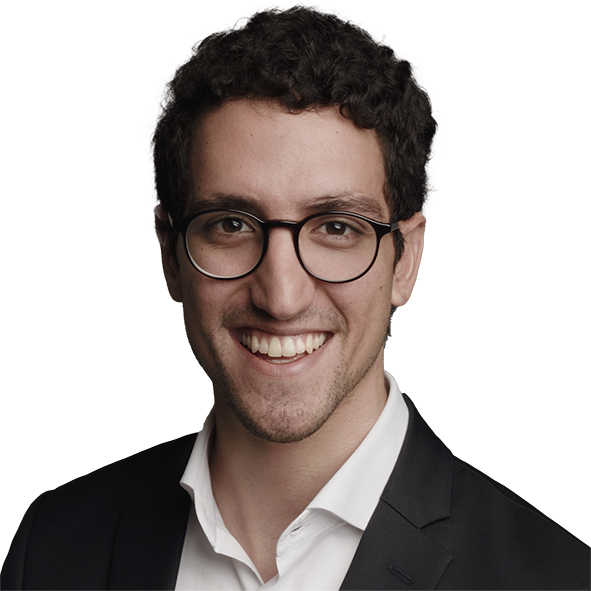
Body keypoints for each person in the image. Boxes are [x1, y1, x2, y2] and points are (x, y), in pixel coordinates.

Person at [2, 6, 589, 590]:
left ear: (405, 261)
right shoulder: (53, 547)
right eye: (231, 224)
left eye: (336, 227)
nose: (281, 297)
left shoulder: (558, 579)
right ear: (170, 254)